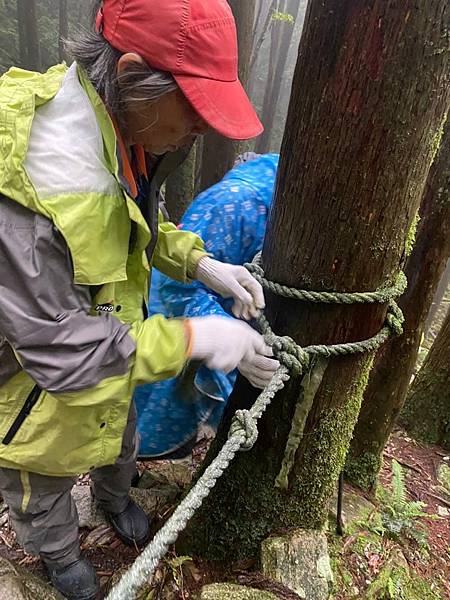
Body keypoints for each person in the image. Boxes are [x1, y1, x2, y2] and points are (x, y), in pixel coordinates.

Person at [0, 1, 279, 598]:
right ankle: (59, 555)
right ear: (130, 75)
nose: (203, 126)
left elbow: (134, 224)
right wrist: (195, 339)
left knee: (120, 442)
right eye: (196, 106)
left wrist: (201, 263)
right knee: (40, 484)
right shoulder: (34, 177)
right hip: (32, 392)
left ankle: (114, 499)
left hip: (115, 355)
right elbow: (59, 353)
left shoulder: (120, 132)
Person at [136, 153, 280, 458]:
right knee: (149, 417)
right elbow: (173, 286)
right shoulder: (233, 205)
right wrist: (220, 334)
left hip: (219, 321)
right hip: (171, 326)